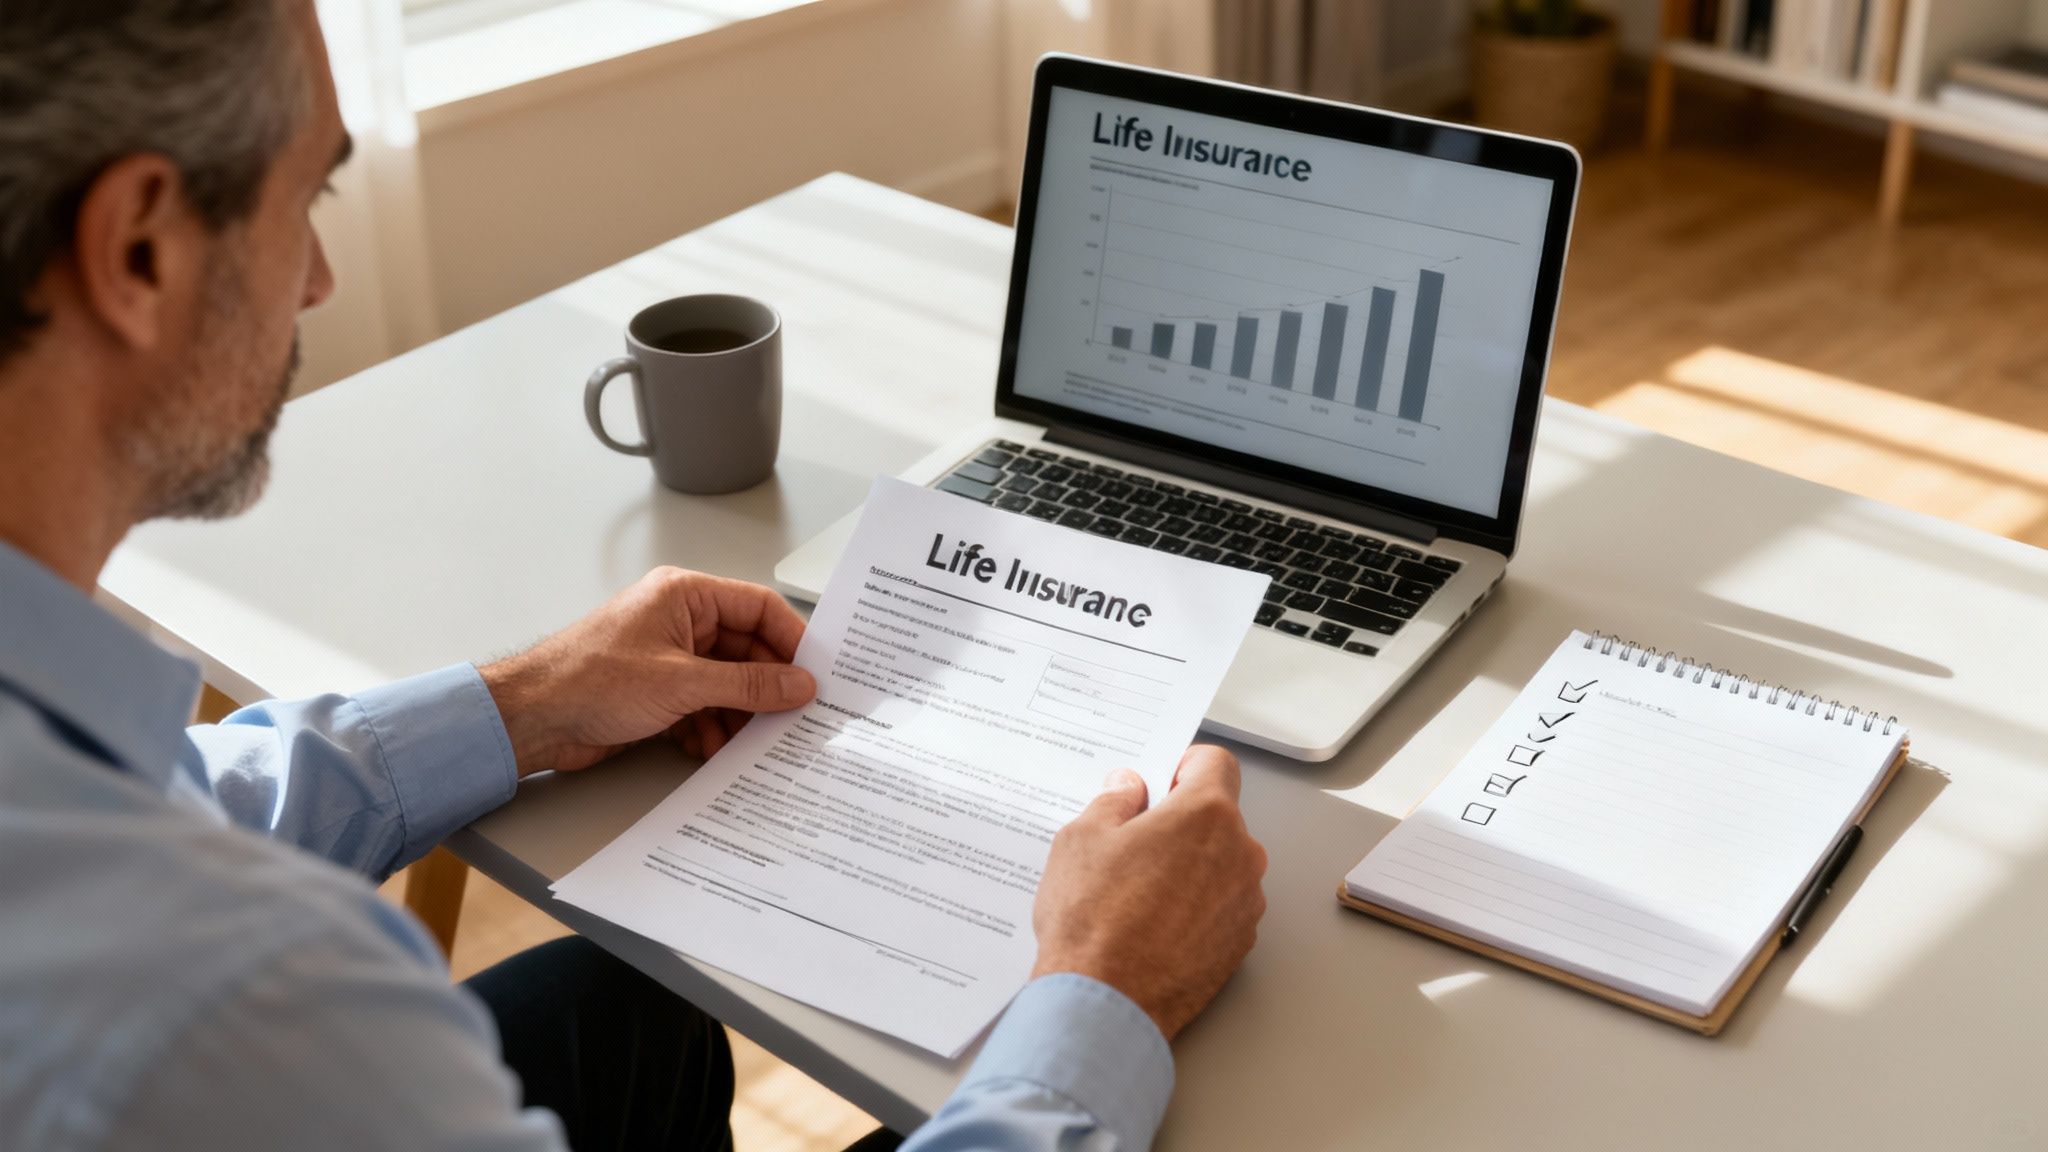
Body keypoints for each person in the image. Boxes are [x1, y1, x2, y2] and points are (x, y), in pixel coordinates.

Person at [0, 2, 1270, 1150]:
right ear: (140, 250)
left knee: (609, 1008)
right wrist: (1103, 991)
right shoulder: (240, 1014)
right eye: (307, 200)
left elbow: (170, 802)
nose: (320, 280)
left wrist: (521, 702)